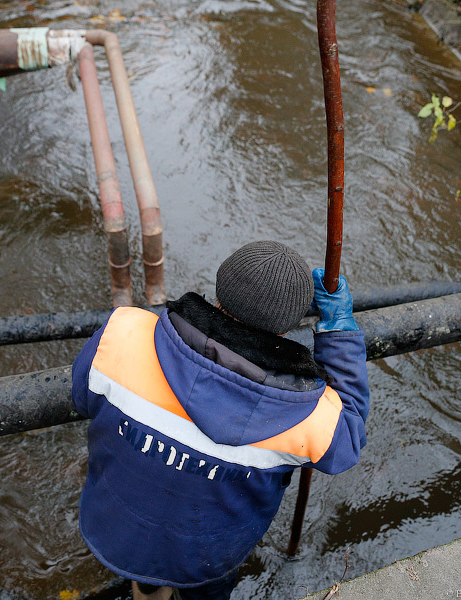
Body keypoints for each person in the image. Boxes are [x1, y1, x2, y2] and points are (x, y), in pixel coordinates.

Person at [71, 240, 369, 600]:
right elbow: (349, 435)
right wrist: (338, 332)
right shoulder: (309, 415)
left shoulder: (123, 333)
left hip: (116, 531)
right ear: (288, 327)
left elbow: (82, 399)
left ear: (219, 291)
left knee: (145, 574)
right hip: (210, 558)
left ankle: (148, 590)